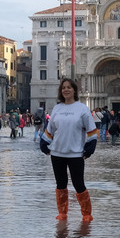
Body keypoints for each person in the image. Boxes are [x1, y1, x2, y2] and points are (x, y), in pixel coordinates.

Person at [40, 77, 98, 221]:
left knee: (79, 184)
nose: (66, 90)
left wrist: (90, 147)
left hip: (76, 153)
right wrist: (44, 142)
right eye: (63, 87)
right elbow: (50, 130)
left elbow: (92, 131)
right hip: (57, 152)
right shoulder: (57, 108)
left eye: (69, 87)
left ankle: (86, 214)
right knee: (61, 184)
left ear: (74, 90)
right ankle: (62, 212)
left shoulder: (82, 109)